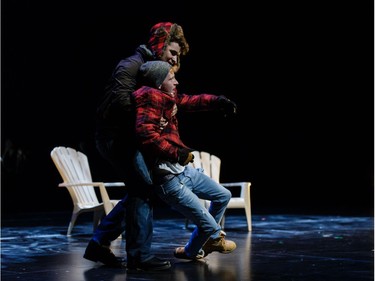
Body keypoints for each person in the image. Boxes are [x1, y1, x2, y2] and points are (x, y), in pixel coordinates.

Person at [83, 22, 189, 271]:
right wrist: (155, 112)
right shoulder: (130, 65)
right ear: (160, 45)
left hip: (128, 138)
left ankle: (99, 243)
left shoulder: (155, 69)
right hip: (113, 137)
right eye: (172, 52)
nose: (175, 58)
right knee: (143, 188)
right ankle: (138, 256)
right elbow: (120, 103)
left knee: (140, 190)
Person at [133, 60, 238, 259]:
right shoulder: (150, 98)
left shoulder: (167, 98)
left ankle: (193, 250)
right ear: (157, 82)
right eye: (171, 78)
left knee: (223, 195)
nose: (176, 82)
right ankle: (214, 238)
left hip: (184, 171)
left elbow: (191, 101)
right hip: (168, 180)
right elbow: (145, 135)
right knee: (207, 223)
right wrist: (177, 153)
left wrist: (217, 101)